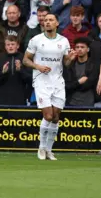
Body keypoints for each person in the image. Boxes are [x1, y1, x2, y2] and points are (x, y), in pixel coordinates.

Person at [23, 13, 77, 161]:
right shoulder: (36, 40)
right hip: (41, 81)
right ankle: (41, 147)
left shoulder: (64, 41)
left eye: (50, 20)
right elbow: (25, 60)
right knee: (48, 115)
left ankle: (49, 150)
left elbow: (65, 63)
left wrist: (71, 59)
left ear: (57, 23)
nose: (47, 22)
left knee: (55, 118)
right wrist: (37, 66)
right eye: (45, 20)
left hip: (57, 82)